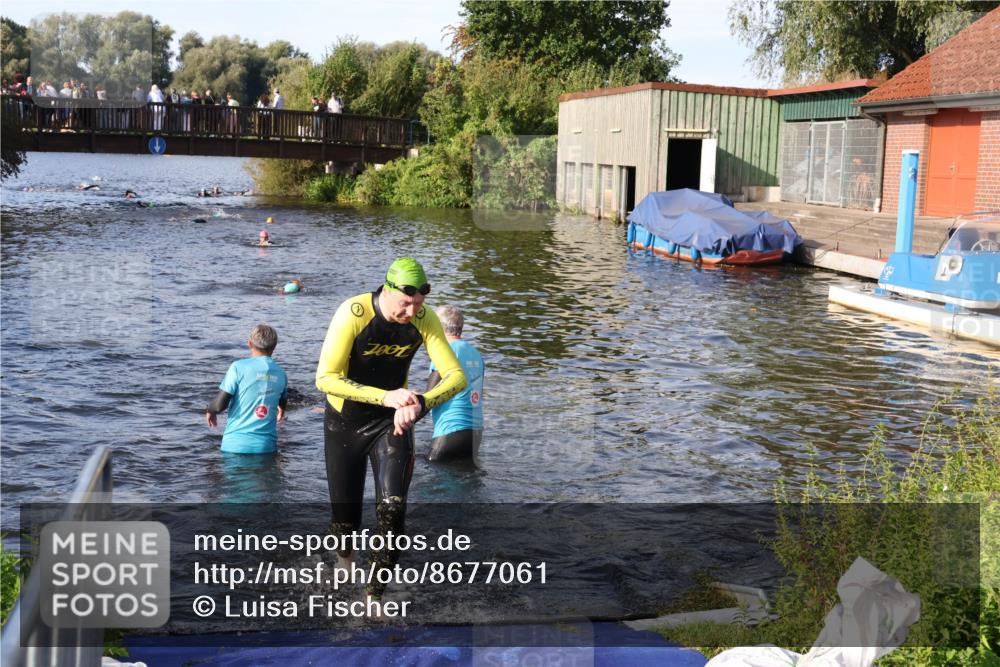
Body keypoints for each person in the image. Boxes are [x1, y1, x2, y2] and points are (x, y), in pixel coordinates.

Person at [315, 257, 466, 599]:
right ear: (386, 291)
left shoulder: (425, 319)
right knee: (345, 519)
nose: (412, 313)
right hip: (345, 424)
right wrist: (386, 397)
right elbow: (324, 379)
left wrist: (420, 402)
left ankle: (373, 596)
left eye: (418, 304)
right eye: (405, 304)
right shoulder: (353, 313)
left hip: (391, 425)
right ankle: (346, 559)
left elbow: (457, 377)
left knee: (393, 509)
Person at [206, 324, 288, 454]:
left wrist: (210, 410)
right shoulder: (281, 373)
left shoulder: (238, 367)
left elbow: (219, 405)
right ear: (274, 346)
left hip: (234, 446)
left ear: (249, 343)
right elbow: (283, 401)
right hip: (266, 448)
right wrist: (281, 411)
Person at [426, 305, 485, 464]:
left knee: (430, 470)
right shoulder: (476, 353)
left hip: (451, 429)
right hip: (475, 433)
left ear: (437, 327)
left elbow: (429, 398)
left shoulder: (445, 350)